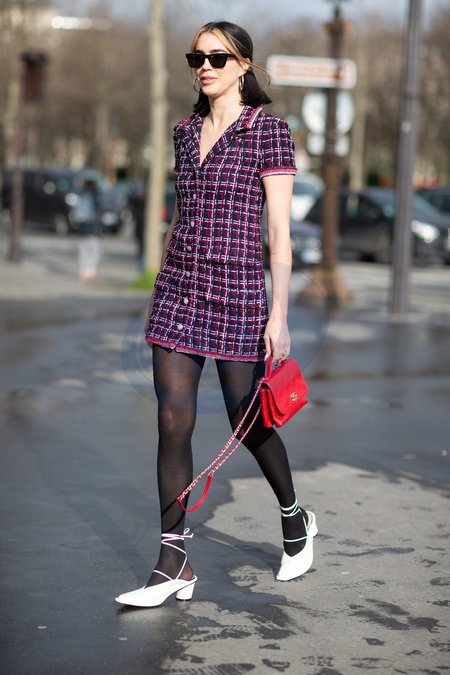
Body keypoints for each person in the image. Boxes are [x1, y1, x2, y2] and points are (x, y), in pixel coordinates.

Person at [116, 20, 317, 608]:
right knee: (172, 421)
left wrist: (279, 314)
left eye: (217, 57)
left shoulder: (268, 132)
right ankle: (173, 562)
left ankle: (294, 517)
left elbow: (278, 234)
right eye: (196, 57)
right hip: (179, 290)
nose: (204, 66)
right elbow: (184, 215)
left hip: (238, 291)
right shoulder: (184, 133)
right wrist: (160, 283)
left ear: (243, 65)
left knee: (245, 419)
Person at [78, 180, 102, 281]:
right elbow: (99, 212)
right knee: (95, 250)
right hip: (92, 229)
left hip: (82, 228)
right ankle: (91, 271)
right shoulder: (94, 197)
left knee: (83, 251)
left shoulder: (81, 196)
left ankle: (83, 271)